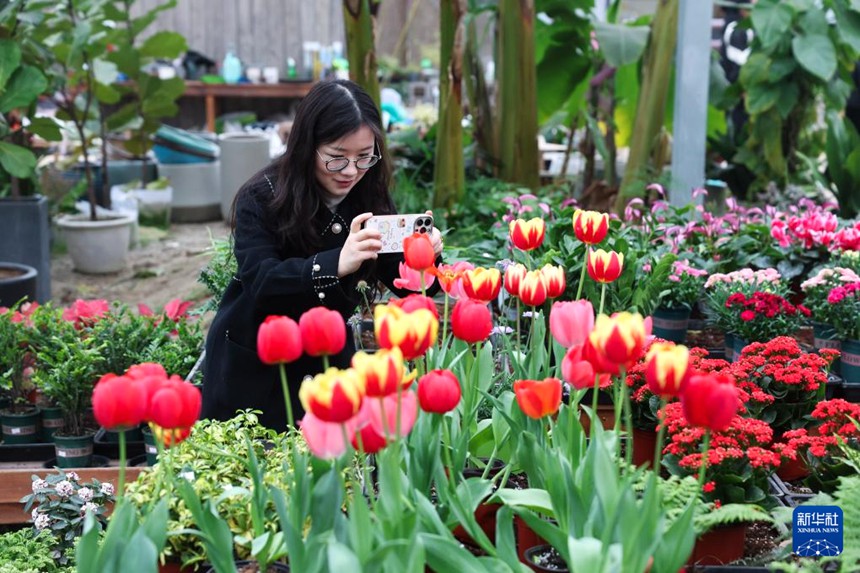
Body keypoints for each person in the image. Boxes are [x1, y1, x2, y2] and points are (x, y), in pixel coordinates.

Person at [201, 79, 443, 431]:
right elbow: (261, 279)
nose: (350, 171)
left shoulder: (368, 194)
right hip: (258, 359)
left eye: (364, 157)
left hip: (327, 359)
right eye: (336, 158)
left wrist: (424, 257)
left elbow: (406, 282)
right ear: (306, 147)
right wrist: (334, 264)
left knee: (332, 464)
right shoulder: (263, 195)